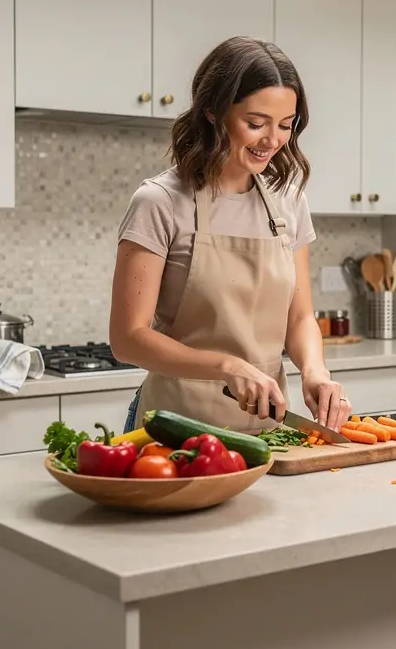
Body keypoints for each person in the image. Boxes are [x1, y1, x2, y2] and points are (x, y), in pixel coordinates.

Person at [110, 36, 352, 435]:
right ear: (212, 111)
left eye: (285, 126)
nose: (272, 140)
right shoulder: (160, 202)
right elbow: (127, 339)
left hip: (268, 433)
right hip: (175, 433)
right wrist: (227, 366)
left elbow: (299, 316)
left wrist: (315, 371)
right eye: (255, 124)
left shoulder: (289, 201)